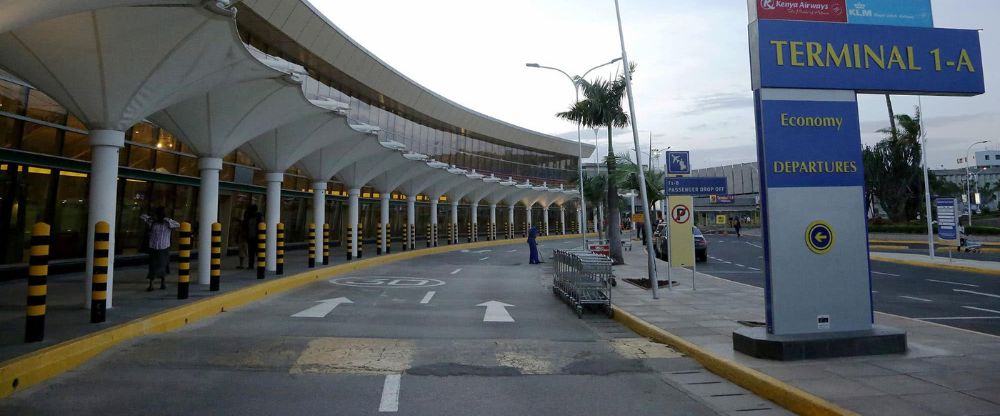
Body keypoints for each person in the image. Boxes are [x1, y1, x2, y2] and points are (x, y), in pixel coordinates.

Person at [140, 207, 179, 291]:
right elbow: (142, 216)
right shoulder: (152, 222)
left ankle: (163, 283)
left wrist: (166, 219)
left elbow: (177, 224)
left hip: (164, 247)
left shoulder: (167, 223)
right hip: (153, 247)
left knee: (163, 266)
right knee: (152, 266)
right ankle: (151, 285)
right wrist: (151, 218)